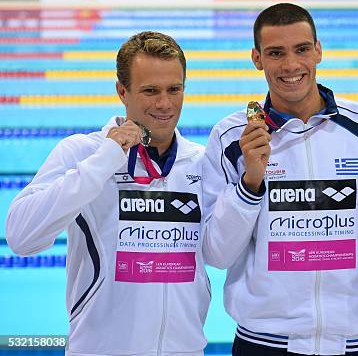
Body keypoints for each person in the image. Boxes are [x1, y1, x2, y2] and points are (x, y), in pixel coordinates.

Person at [6, 31, 235, 355]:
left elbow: (220, 253)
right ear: (122, 91)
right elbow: (21, 237)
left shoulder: (200, 162)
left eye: (174, 89)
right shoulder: (82, 153)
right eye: (150, 91)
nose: (165, 103)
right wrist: (107, 157)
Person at [201, 3, 358, 355]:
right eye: (276, 53)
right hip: (263, 342)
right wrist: (250, 183)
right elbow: (216, 253)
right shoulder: (230, 138)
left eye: (301, 49)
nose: (291, 65)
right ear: (256, 58)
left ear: (319, 50)